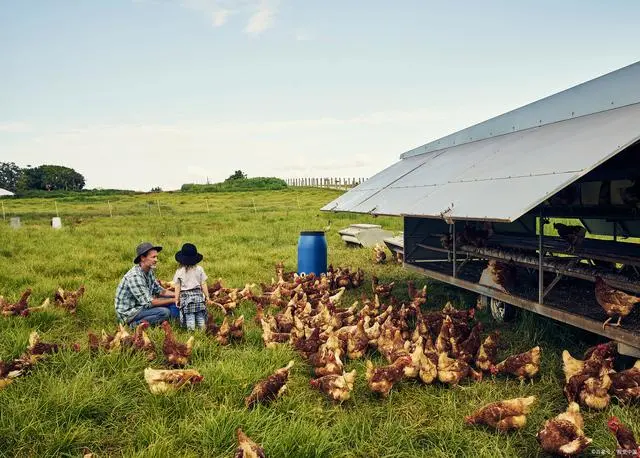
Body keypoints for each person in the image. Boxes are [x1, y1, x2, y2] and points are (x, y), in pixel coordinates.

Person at [115, 242, 176, 326]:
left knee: (167, 301)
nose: (156, 260)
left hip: (140, 305)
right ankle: (134, 325)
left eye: (157, 257)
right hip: (129, 312)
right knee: (164, 312)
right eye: (153, 257)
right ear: (143, 258)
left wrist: (177, 295)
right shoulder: (135, 276)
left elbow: (159, 290)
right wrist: (173, 300)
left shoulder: (149, 271)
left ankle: (163, 320)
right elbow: (149, 303)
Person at [173, 243, 212, 330]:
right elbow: (203, 283)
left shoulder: (179, 271)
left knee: (190, 317)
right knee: (200, 316)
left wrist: (176, 299)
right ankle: (202, 331)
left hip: (186, 298)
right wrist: (207, 296)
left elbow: (177, 286)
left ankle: (192, 332)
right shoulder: (199, 269)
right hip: (198, 297)